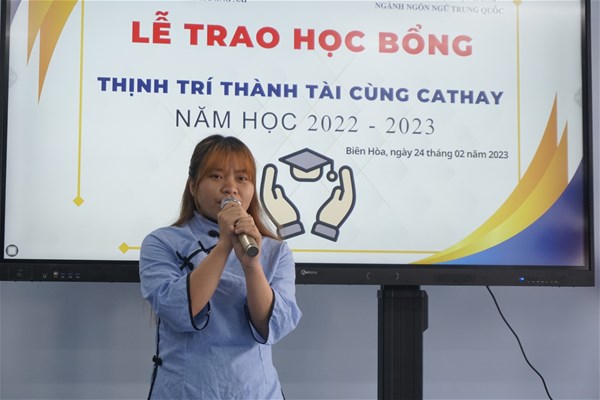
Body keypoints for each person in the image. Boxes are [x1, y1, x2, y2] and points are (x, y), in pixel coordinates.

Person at [139, 134, 302, 399]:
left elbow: (272, 327)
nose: (230, 188)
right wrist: (225, 244)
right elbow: (178, 310)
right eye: (216, 176)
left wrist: (252, 265)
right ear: (193, 186)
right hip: (185, 390)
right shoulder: (162, 242)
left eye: (242, 178)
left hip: (255, 392)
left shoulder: (275, 251)